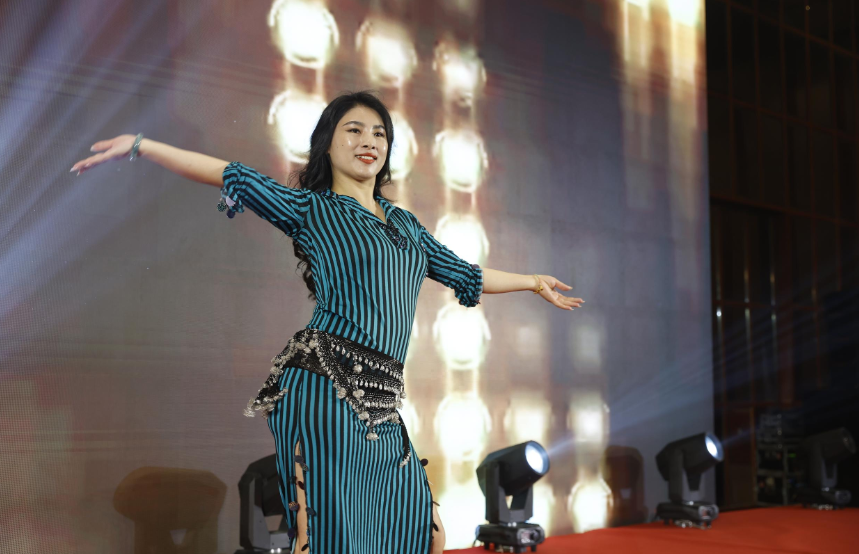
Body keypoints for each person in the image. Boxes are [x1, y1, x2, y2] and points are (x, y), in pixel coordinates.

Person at [71, 91, 584, 554]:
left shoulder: (406, 225)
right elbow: (230, 173)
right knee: (326, 537)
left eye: (379, 133)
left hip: (383, 398)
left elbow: (468, 275)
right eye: (354, 130)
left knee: (424, 532)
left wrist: (531, 281)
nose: (369, 141)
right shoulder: (311, 209)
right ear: (328, 144)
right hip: (324, 384)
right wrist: (141, 145)